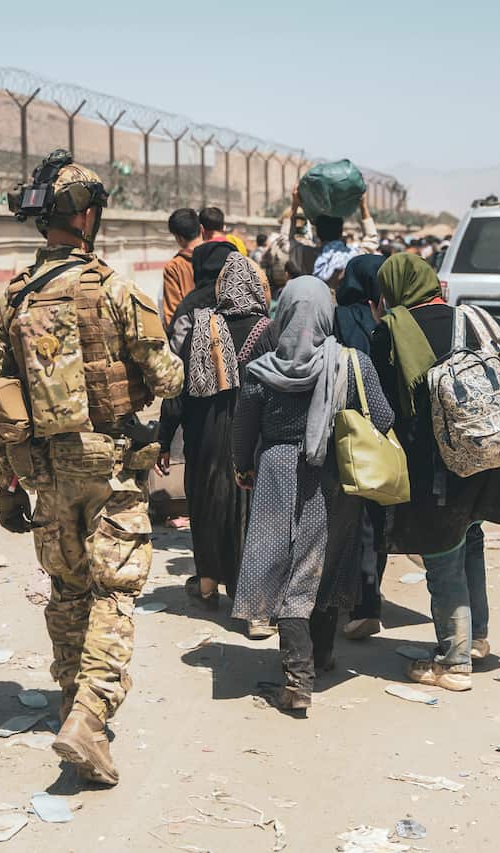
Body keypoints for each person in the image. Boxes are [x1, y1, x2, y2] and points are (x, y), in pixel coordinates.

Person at [0, 150, 184, 785]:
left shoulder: (9, 303)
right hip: (108, 465)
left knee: (68, 590)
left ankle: (72, 705)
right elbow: (166, 376)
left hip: (43, 473)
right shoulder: (116, 290)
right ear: (89, 215)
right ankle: (90, 718)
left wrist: (6, 490)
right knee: (115, 591)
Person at [232, 276, 394, 715]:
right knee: (324, 563)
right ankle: (318, 659)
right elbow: (382, 416)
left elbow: (243, 429)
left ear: (282, 312)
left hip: (276, 475)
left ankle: (297, 675)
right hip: (335, 477)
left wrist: (243, 466)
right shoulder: (351, 362)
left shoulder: (261, 368)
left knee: (286, 571)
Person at [371, 253, 500, 691]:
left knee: (441, 554)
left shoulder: (392, 332)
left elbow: (383, 405)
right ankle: (475, 639)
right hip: (483, 456)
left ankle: (453, 662)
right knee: (471, 539)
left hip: (435, 467)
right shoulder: (471, 319)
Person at [157, 253, 276, 635]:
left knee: (209, 506)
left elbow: (176, 392)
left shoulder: (201, 328)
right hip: (255, 438)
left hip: (206, 439)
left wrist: (163, 440)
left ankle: (207, 585)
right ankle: (256, 610)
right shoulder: (269, 330)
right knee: (254, 516)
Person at [333, 255, 389, 640]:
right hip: (377, 430)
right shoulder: (386, 324)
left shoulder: (335, 320)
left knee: (339, 520)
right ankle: (367, 602)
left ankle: (344, 599)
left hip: (338, 430)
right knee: (374, 521)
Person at [285, 191, 378, 287]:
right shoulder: (353, 258)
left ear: (317, 233)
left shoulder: (306, 255)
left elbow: (287, 242)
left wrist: (295, 205)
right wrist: (363, 205)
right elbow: (371, 240)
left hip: (312, 301)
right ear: (341, 232)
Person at [162, 208, 201, 327]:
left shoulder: (174, 267)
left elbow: (172, 313)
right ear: (201, 229)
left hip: (190, 337)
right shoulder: (219, 257)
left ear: (179, 238)